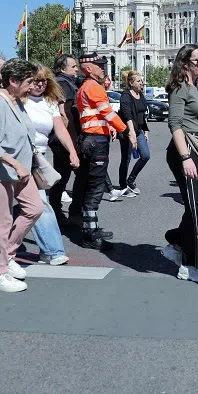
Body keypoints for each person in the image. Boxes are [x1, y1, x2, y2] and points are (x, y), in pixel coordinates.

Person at [0, 59, 44, 293]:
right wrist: (15, 163)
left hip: (20, 170)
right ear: (12, 81)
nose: (32, 86)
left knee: (34, 208)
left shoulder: (16, 101)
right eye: (28, 81)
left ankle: (7, 255)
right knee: (2, 221)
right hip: (0, 172)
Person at [160, 44, 198, 283]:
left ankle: (176, 241)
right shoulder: (178, 87)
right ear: (184, 63)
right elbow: (174, 123)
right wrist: (185, 158)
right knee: (197, 206)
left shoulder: (192, 87)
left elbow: (190, 112)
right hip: (186, 152)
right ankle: (188, 264)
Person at [24, 66, 79, 266]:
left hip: (39, 157)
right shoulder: (18, 100)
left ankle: (50, 251)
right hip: (18, 156)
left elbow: (60, 129)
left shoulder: (49, 101)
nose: (40, 84)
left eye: (44, 80)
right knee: (37, 204)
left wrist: (72, 151)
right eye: (36, 80)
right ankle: (52, 251)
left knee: (32, 205)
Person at [72, 52, 127, 249]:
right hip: (96, 141)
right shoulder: (94, 87)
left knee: (91, 185)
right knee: (95, 188)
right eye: (99, 65)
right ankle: (90, 234)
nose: (102, 67)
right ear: (88, 69)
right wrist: (125, 130)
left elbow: (95, 114)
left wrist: (109, 126)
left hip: (91, 140)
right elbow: (107, 112)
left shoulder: (85, 87)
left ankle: (91, 228)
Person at [49, 54, 80, 219]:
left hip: (59, 137)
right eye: (73, 66)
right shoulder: (64, 84)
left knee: (62, 174)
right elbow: (64, 114)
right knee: (66, 174)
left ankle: (57, 210)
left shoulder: (62, 82)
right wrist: (72, 141)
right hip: (62, 137)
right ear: (63, 68)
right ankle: (60, 212)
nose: (76, 69)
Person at [117, 71, 151, 195]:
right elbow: (128, 116)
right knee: (126, 159)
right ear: (131, 83)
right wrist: (131, 134)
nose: (141, 83)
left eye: (141, 81)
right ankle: (122, 186)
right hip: (127, 131)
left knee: (145, 155)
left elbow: (143, 115)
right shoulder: (126, 96)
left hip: (138, 130)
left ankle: (131, 179)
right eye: (139, 81)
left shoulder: (140, 95)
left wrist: (146, 131)